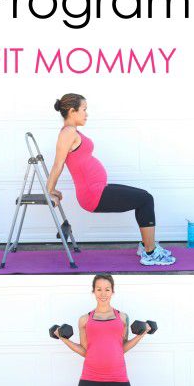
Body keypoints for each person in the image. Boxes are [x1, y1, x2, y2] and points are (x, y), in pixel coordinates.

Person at [47, 94, 175, 266]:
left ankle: (147, 246)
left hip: (98, 189)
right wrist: (49, 190)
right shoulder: (68, 133)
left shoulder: (73, 132)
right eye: (84, 109)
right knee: (145, 199)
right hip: (93, 194)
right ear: (72, 111)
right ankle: (150, 253)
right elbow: (58, 164)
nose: (87, 114)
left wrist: (52, 189)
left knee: (143, 197)